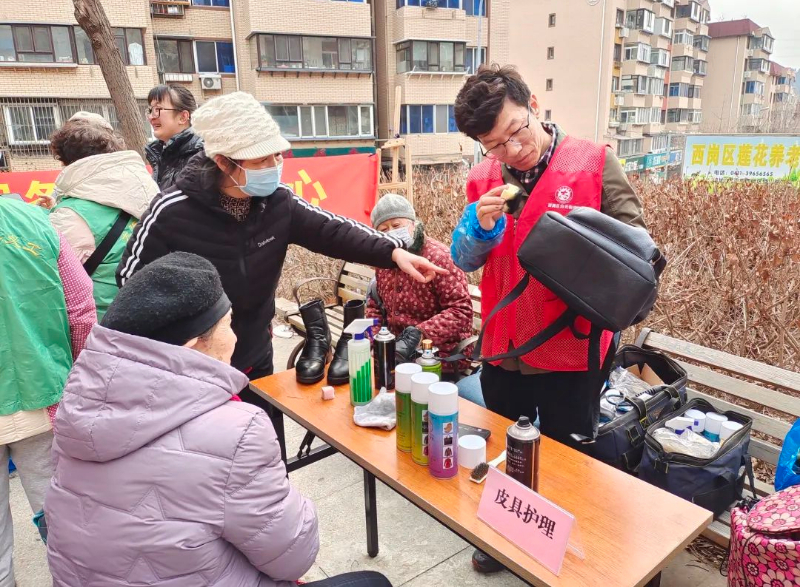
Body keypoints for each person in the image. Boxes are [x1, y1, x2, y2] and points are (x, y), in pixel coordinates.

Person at [116, 92, 444, 454]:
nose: (275, 164)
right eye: (262, 159)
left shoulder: (278, 202)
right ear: (223, 162)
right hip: (196, 365)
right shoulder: (171, 210)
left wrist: (392, 251)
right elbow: (130, 280)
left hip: (256, 353)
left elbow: (332, 229)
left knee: (265, 448)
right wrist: (184, 333)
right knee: (212, 458)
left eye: (277, 154)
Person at [45, 252, 392, 587]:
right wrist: (288, 501)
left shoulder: (79, 410)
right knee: (374, 582)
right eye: (228, 325)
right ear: (194, 344)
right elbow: (295, 556)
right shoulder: (235, 432)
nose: (235, 337)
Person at [451, 65, 646, 573]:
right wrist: (479, 229)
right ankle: (509, 532)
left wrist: (574, 247)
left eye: (516, 131)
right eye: (494, 145)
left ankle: (564, 548)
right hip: (504, 345)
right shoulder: (482, 179)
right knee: (507, 445)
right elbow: (465, 260)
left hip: (572, 346)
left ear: (533, 105)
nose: (512, 150)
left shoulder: (595, 163)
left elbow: (637, 253)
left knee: (568, 456)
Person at [0, 195, 95, 587]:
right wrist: (76, 377)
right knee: (60, 517)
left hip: (38, 392)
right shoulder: (35, 221)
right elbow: (80, 309)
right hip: (42, 394)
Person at [46, 117, 159, 320]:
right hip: (149, 311)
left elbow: (50, 278)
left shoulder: (71, 215)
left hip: (101, 322)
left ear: (69, 162)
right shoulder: (148, 192)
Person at [358, 194, 473, 382]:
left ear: (412, 223)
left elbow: (461, 311)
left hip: (440, 354)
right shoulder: (384, 259)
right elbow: (374, 306)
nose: (391, 232)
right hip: (396, 350)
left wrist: (418, 335)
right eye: (384, 229)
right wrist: (375, 341)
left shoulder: (439, 257)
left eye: (396, 225)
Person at [145, 84, 203, 191]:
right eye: (150, 110)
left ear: (183, 117)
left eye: (158, 109)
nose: (151, 117)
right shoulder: (160, 154)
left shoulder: (200, 156)